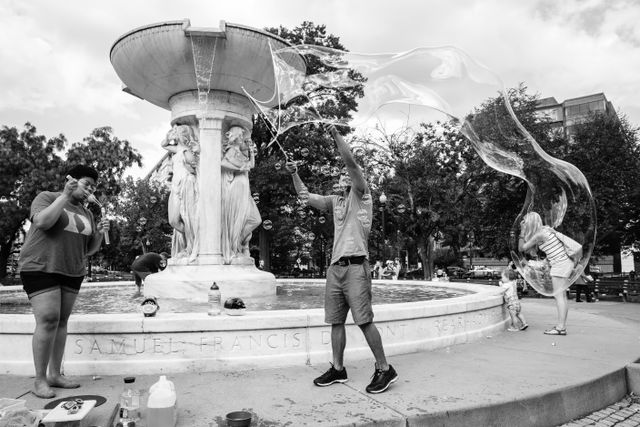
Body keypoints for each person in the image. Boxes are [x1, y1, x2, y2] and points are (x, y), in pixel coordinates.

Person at [285, 125, 398, 394]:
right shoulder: (334, 201)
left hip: (357, 265)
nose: (341, 177)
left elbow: (352, 163)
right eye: (338, 176)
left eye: (344, 174)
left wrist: (336, 136)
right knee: (336, 321)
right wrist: (295, 174)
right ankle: (338, 368)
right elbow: (303, 197)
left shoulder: (363, 195)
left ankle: (385, 368)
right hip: (336, 269)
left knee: (364, 320)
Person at [17, 165, 110, 398]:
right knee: (48, 319)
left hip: (72, 270)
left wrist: (98, 233)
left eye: (94, 186)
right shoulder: (47, 197)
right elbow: (42, 223)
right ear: (72, 180)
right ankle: (39, 380)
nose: (91, 189)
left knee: (61, 322)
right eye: (87, 183)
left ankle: (55, 375)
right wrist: (65, 196)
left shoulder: (88, 213)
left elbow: (89, 250)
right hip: (40, 266)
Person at [519, 211, 580, 336]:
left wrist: (522, 231)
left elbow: (522, 248)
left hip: (560, 265)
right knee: (561, 296)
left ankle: (561, 328)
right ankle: (561, 326)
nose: (524, 223)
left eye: (525, 222)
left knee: (559, 297)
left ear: (530, 223)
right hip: (563, 263)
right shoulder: (544, 230)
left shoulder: (539, 235)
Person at [220, 126, 261, 263]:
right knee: (237, 219)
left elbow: (251, 165)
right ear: (236, 136)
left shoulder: (240, 151)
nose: (243, 138)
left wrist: (251, 152)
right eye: (242, 135)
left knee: (256, 220)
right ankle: (234, 246)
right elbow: (222, 163)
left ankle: (237, 243)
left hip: (245, 188)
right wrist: (239, 168)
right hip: (237, 186)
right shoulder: (231, 150)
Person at [161, 124, 200, 261]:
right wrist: (169, 134)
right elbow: (163, 144)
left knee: (187, 218)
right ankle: (193, 238)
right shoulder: (177, 149)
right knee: (173, 220)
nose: (174, 135)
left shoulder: (188, 152)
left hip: (185, 185)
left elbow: (196, 170)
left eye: (176, 133)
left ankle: (192, 244)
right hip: (175, 187)